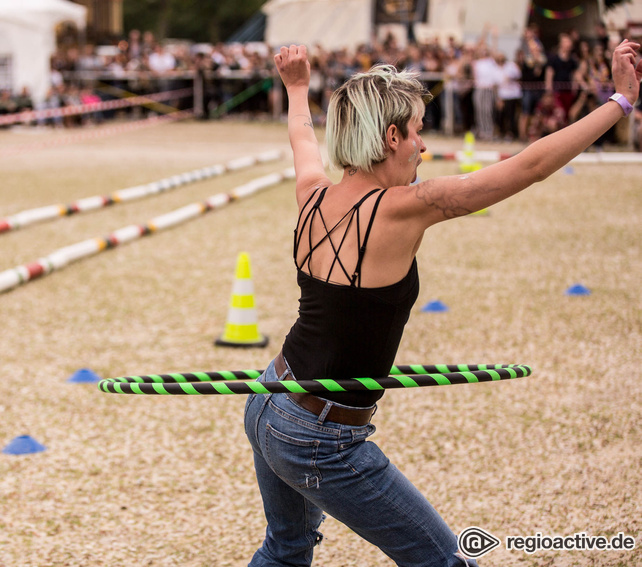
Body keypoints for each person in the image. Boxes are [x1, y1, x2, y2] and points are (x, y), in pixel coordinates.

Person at [244, 41, 640, 567]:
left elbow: (302, 137)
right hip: (320, 434)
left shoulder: (313, 193)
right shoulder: (407, 208)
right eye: (417, 132)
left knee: (285, 549)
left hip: (269, 399)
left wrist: (297, 87)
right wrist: (621, 102)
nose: (423, 147)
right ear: (391, 137)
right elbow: (531, 167)